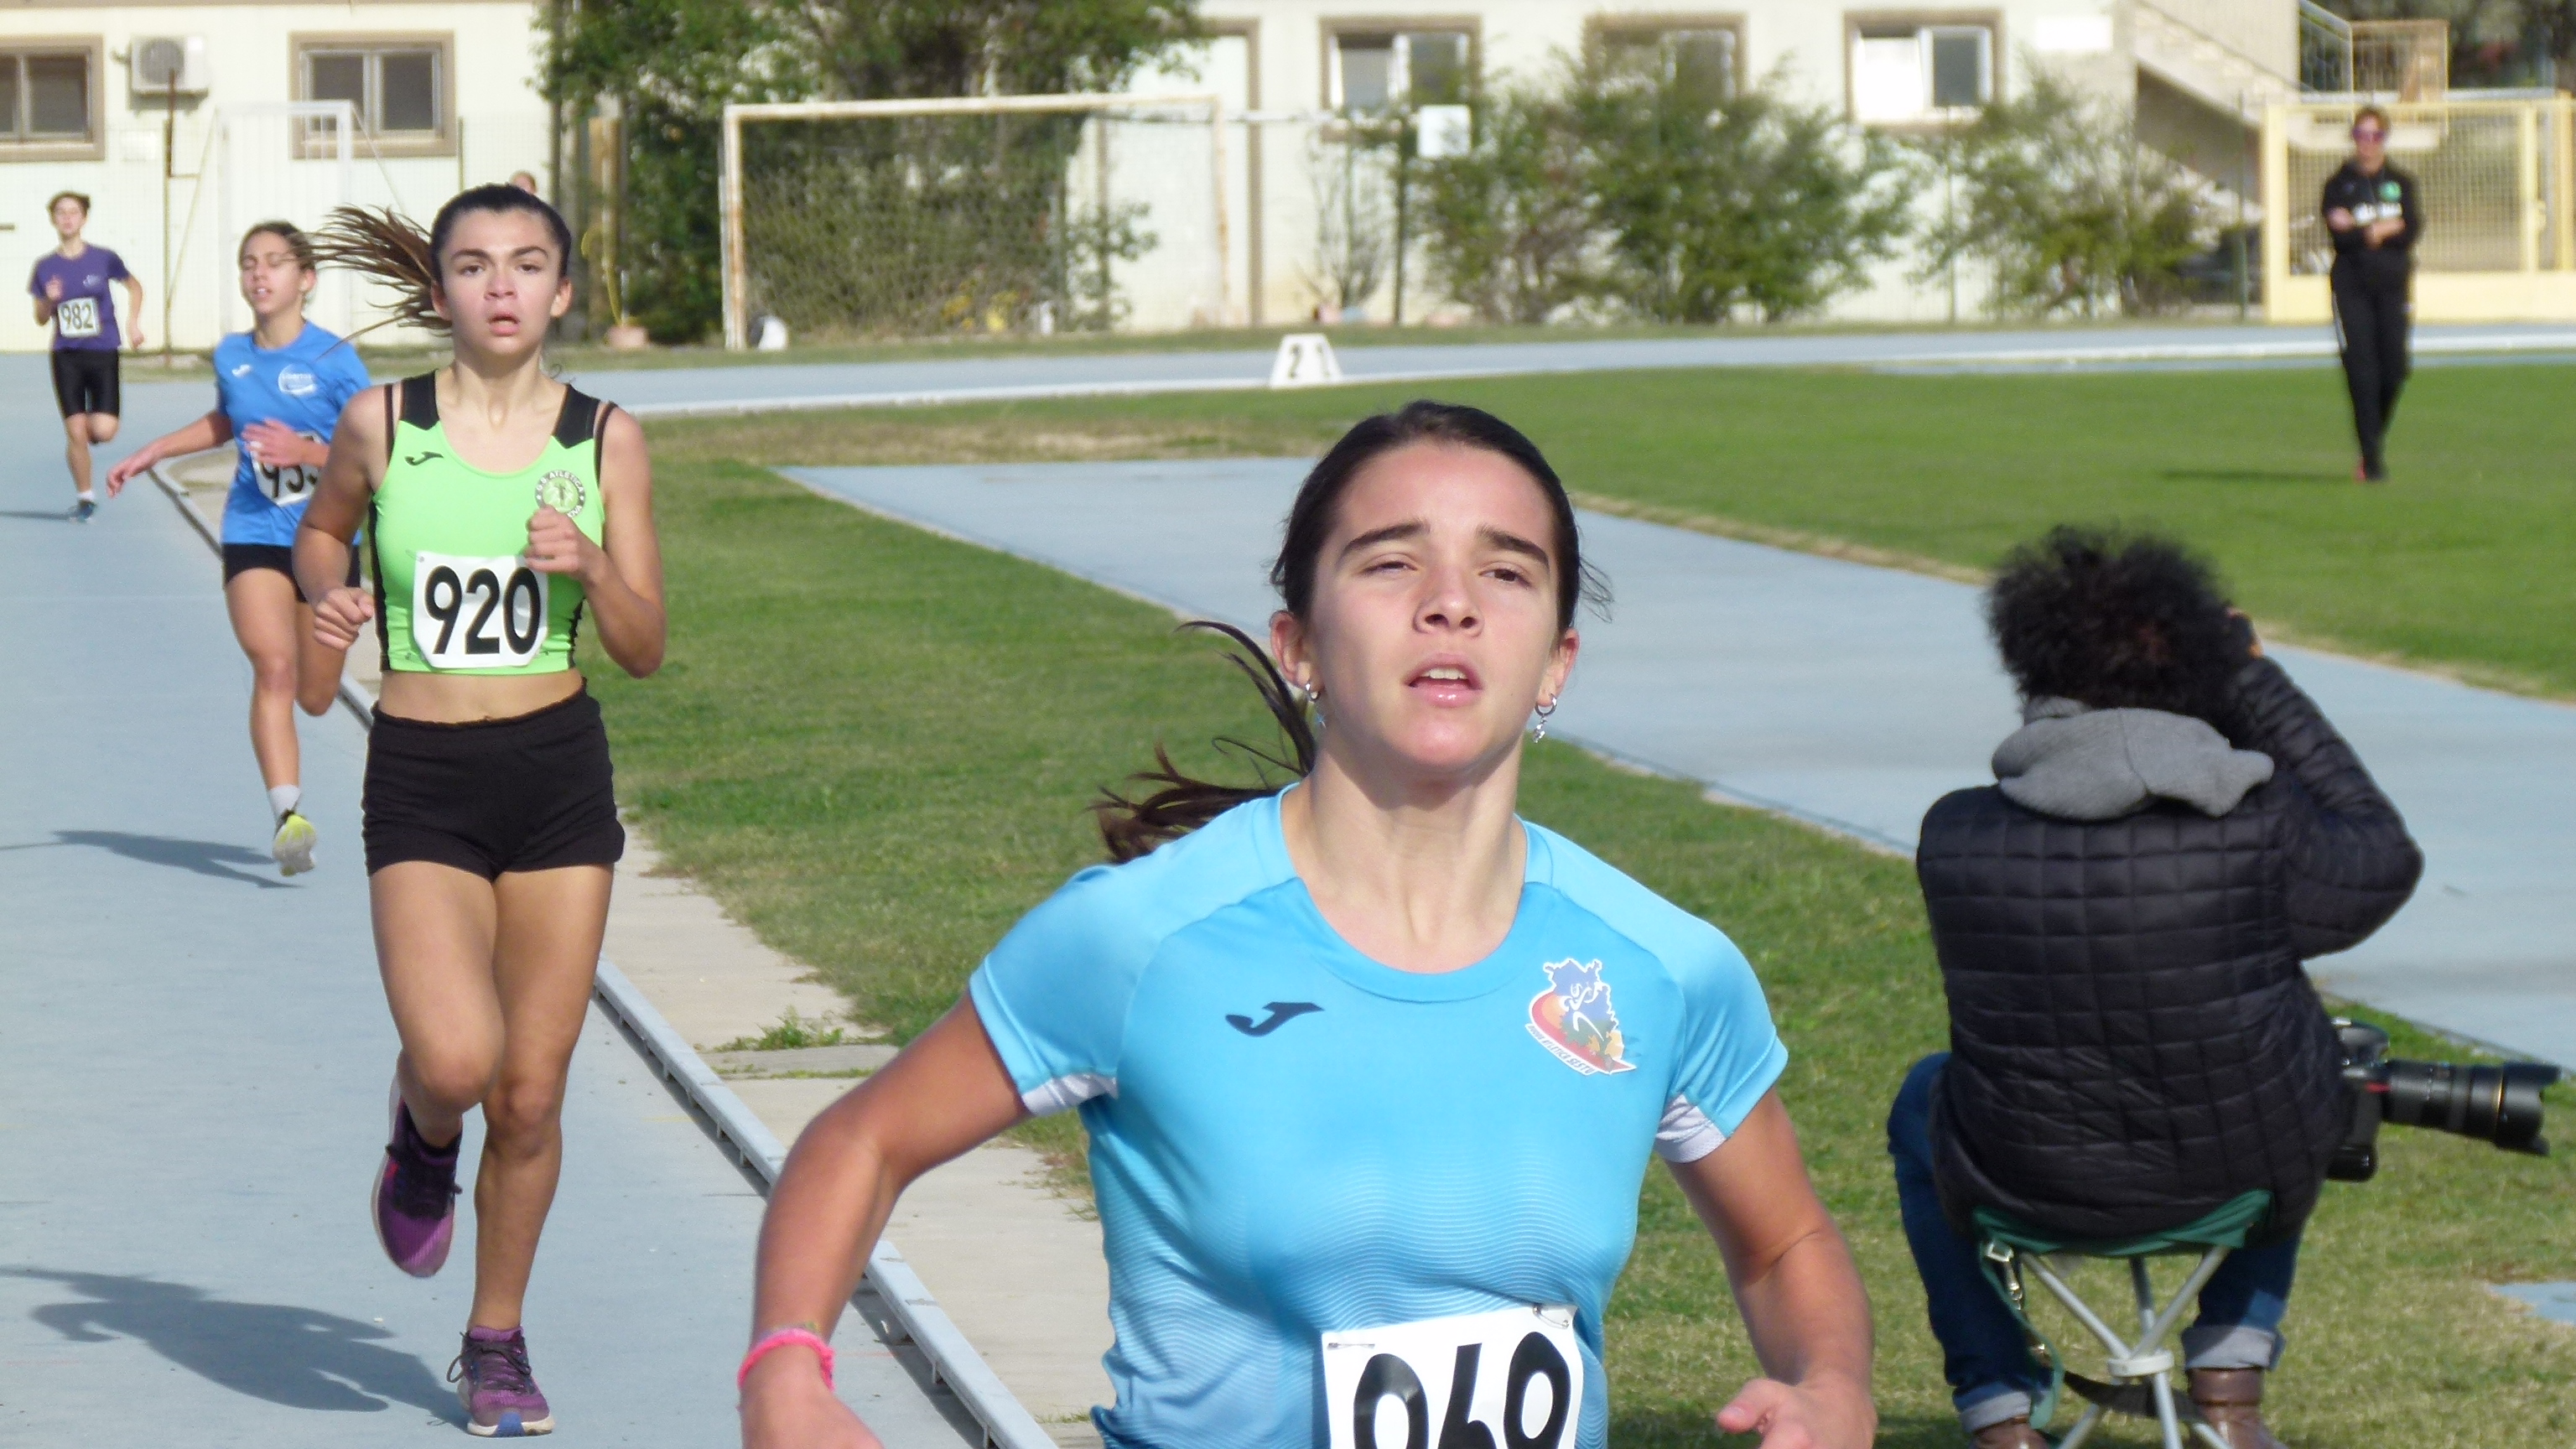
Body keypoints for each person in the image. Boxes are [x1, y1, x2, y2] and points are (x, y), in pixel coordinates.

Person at [737, 401, 1877, 1449]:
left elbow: (1786, 1244)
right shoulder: (1142, 942)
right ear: (1300, 648)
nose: (1452, 602)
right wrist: (787, 1373)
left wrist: (1832, 1384)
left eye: (1506, 571)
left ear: (1555, 664)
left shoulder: (1661, 968)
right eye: (1392, 563)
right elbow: (860, 1143)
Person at [1889, 527, 2422, 1449]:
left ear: (2033, 663)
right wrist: (2256, 677)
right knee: (2315, 1060)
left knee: (1921, 1099)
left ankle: (1998, 1405)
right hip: (2241, 1181)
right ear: (2200, 667)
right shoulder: (2261, 828)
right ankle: (2232, 1370)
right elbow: (2380, 853)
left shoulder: (1957, 834)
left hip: (2022, 1179)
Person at [294, 185, 666, 1438]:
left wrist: (594, 566)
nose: (500, 286)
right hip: (424, 775)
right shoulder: (382, 423)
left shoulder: (606, 438)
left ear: (563, 291)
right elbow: (320, 537)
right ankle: (421, 1131)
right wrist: (331, 595)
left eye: (526, 264)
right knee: (458, 1061)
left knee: (532, 1094)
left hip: (556, 774)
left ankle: (495, 1340)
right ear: (439, 289)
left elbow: (645, 647)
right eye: (472, 264)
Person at [105, 222, 371, 875]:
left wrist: (305, 452)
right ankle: (289, 817)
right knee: (272, 667)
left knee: (316, 695)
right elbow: (228, 419)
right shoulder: (231, 354)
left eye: (274, 262)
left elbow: (375, 447)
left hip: (327, 540)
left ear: (305, 279)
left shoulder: (335, 359)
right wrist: (154, 450)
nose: (259, 274)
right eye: (249, 262)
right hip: (253, 530)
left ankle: (296, 790)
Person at [30, 190, 144, 522]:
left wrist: (133, 323)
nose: (67, 218)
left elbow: (135, 286)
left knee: (103, 431)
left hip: (103, 351)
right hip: (66, 355)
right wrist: (49, 300)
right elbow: (40, 318)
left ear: (84, 218)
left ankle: (88, 432)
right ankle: (86, 498)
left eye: (74, 212)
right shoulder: (45, 267)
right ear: (53, 220)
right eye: (61, 212)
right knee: (75, 432)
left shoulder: (104, 258)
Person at [2321, 106, 2421, 484]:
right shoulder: (2338, 185)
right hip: (2352, 288)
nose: (2368, 143)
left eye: (2375, 135)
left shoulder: (2401, 182)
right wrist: (2377, 230)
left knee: (2394, 369)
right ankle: (2372, 460)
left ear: (2384, 139)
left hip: (2393, 286)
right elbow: (2340, 235)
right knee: (2362, 371)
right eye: (2361, 135)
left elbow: (2412, 228)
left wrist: (2374, 228)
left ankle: (2372, 438)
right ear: (2353, 138)